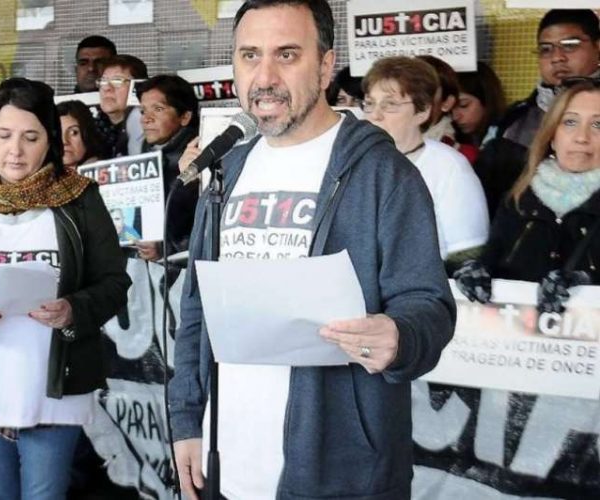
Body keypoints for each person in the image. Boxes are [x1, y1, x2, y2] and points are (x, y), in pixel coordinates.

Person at [168, 2, 455, 499]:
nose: (264, 77)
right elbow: (197, 308)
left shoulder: (383, 173)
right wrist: (187, 419)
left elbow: (429, 304)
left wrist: (400, 335)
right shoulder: (226, 171)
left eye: (287, 55)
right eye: (250, 55)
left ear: (325, 66)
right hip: (226, 458)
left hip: (341, 472)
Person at [0, 77, 131, 500]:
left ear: (49, 140)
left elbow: (114, 283)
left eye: (30, 137)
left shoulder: (80, 199)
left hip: (52, 383)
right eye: (4, 135)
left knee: (43, 495)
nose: (14, 150)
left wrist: (73, 308)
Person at [456, 79, 600, 312]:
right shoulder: (517, 200)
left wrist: (584, 282)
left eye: (598, 125)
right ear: (552, 136)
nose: (581, 137)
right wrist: (476, 272)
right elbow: (492, 258)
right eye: (570, 122)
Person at [362, 56, 489, 266]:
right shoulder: (357, 164)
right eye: (369, 103)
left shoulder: (449, 167)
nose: (375, 115)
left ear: (422, 112)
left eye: (390, 104)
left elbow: (467, 254)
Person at [476, 10, 600, 217]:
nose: (557, 57)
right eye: (546, 49)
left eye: (570, 45)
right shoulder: (511, 124)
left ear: (597, 47)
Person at [135, 75, 199, 260]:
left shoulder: (200, 156)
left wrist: (167, 248)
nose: (146, 119)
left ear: (185, 117)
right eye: (143, 111)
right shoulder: (146, 155)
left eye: (158, 109)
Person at [416, 55, 478, 164]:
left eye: (425, 90)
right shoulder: (386, 145)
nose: (412, 98)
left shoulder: (464, 156)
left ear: (447, 103)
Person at [95, 55, 147, 158]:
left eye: (117, 81)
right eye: (103, 81)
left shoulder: (150, 127)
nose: (107, 88)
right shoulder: (90, 131)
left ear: (137, 86)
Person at [453, 61, 507, 150]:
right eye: (450, 108)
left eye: (463, 105)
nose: (455, 116)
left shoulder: (508, 136)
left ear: (487, 99)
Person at [57, 100, 106, 171]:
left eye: (74, 132)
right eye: (58, 133)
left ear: (88, 135)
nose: (64, 142)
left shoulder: (103, 172)